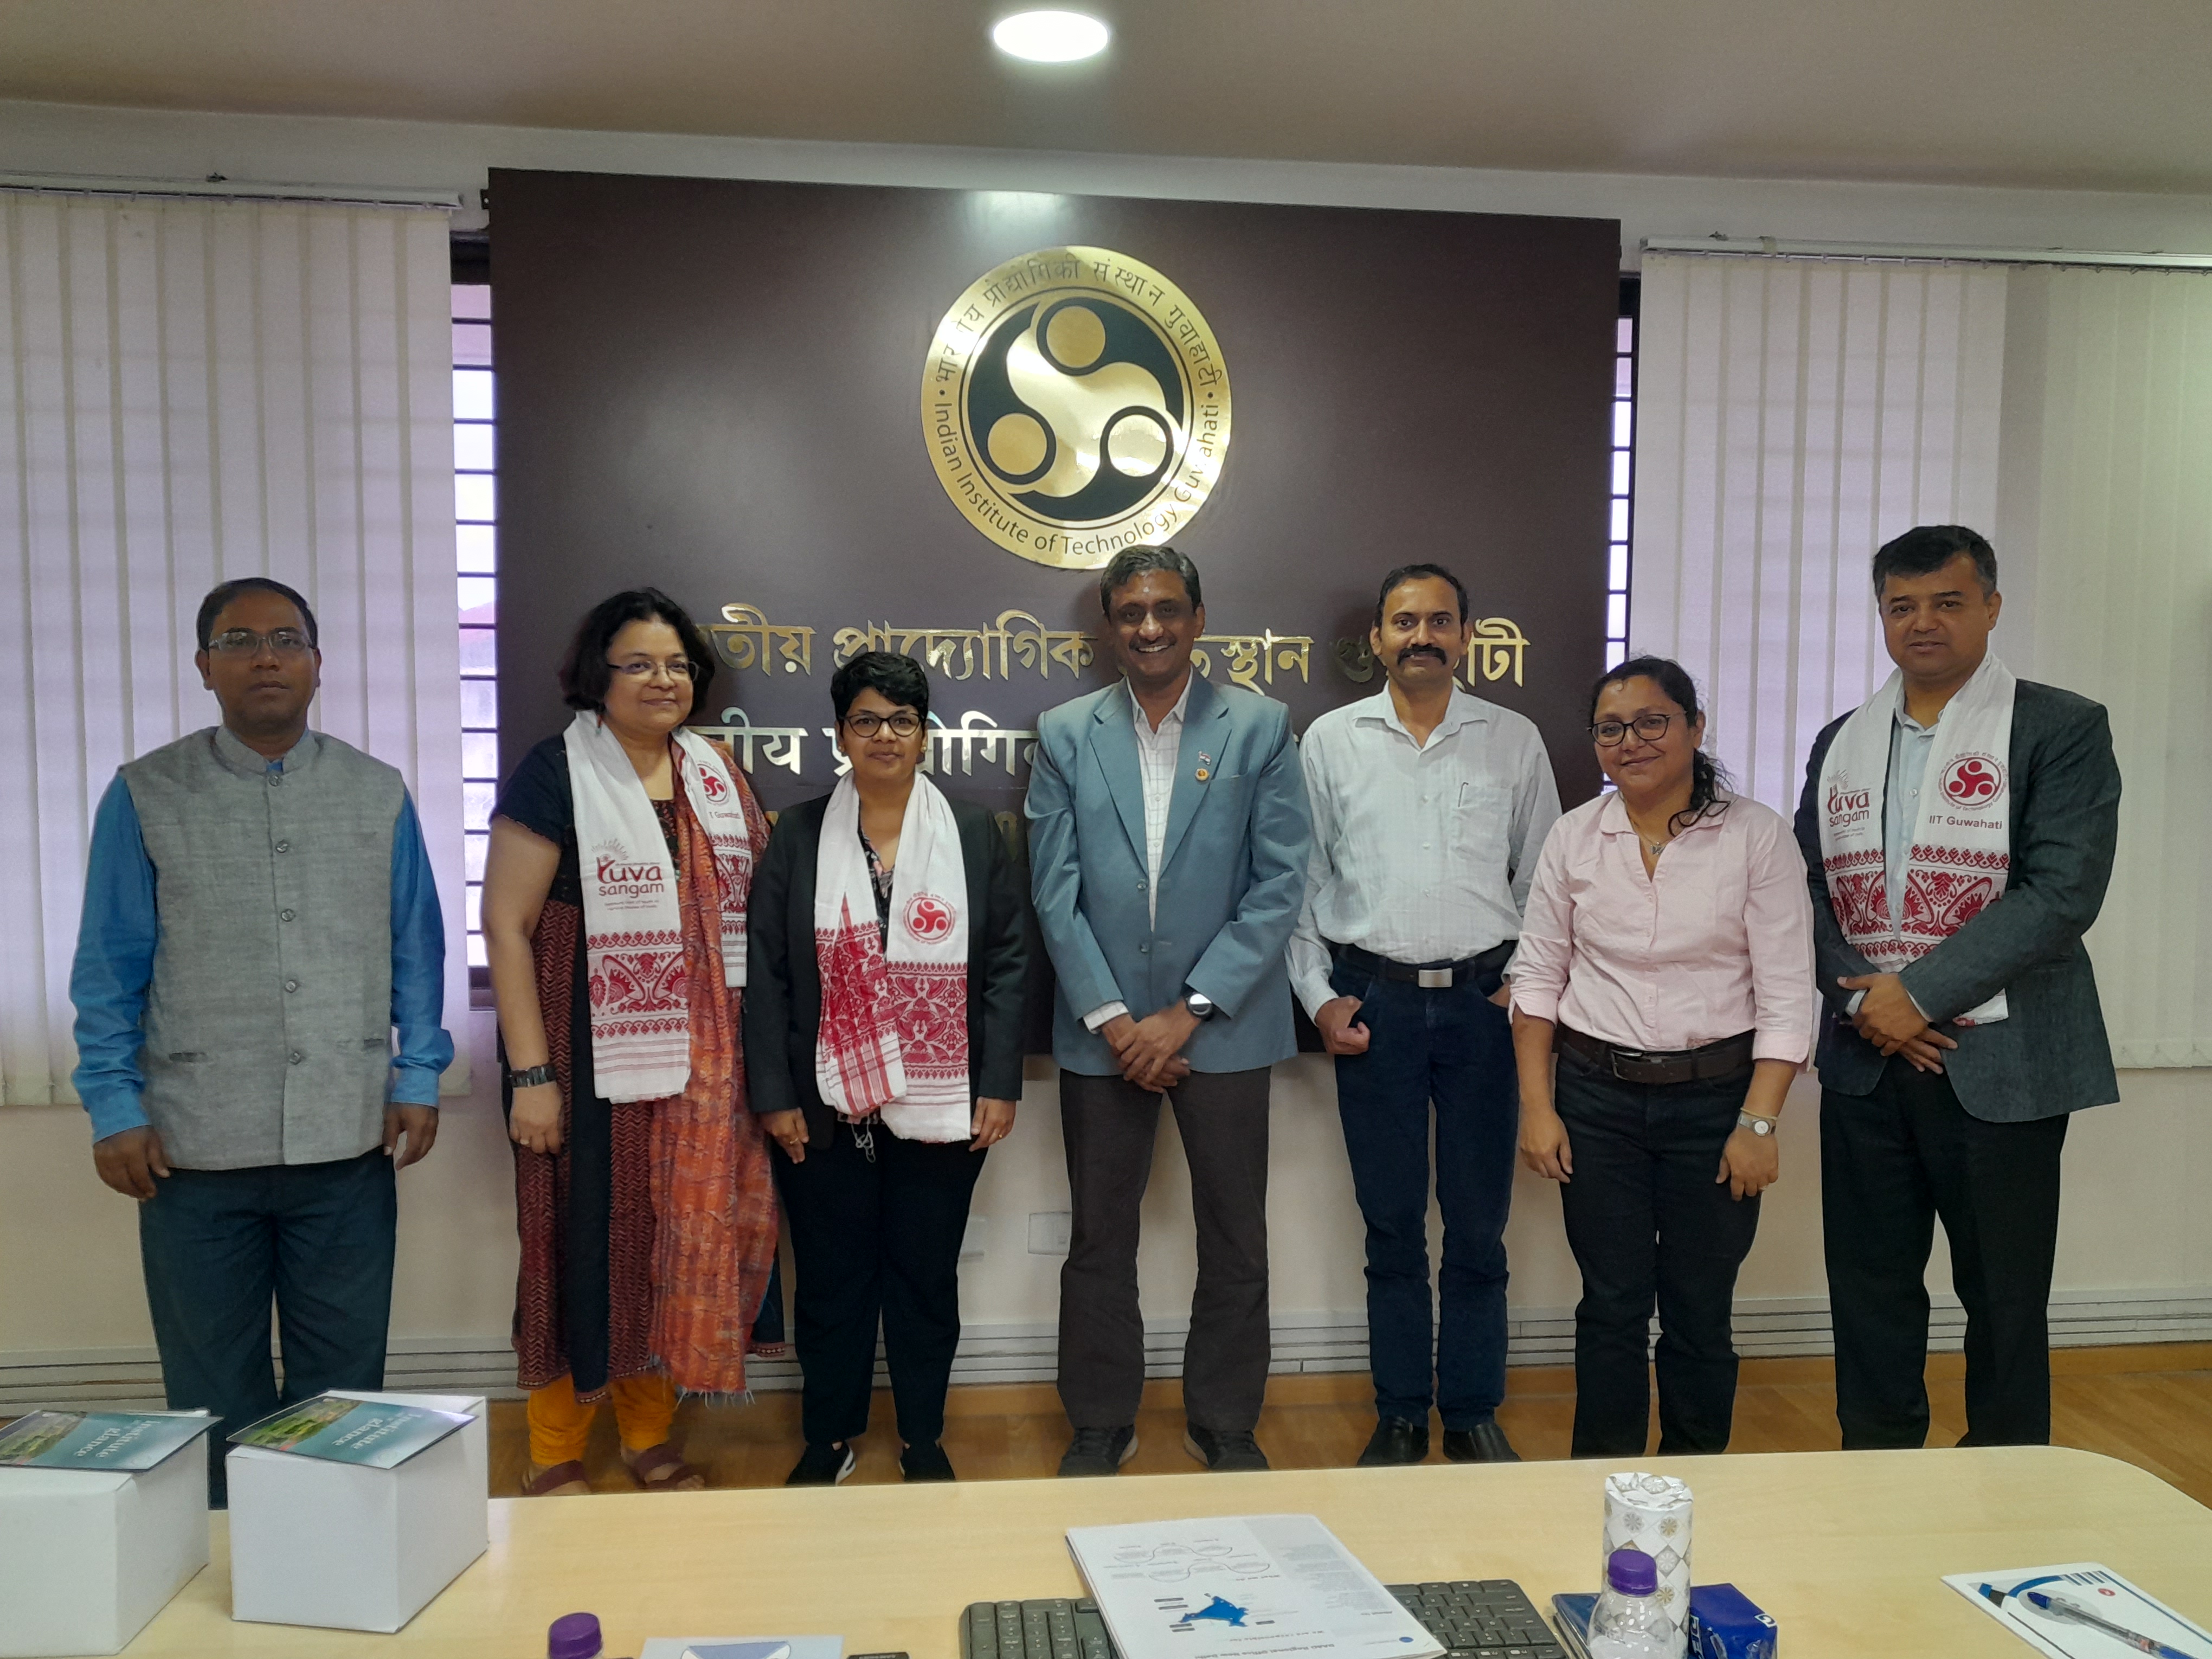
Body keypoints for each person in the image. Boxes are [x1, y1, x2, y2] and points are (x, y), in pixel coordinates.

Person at [70, 576, 452, 1506]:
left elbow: (419, 954)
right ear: (205, 667)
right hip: (195, 1147)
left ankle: (333, 1550)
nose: (266, 656)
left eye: (286, 638)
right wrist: (113, 1106)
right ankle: (223, 1570)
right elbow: (107, 967)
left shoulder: (377, 794)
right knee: (213, 1390)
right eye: (239, 640)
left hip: (346, 1137)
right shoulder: (144, 795)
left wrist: (420, 1076)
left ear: (319, 664)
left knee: (342, 1381)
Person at [1795, 525, 2120, 1450]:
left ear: (1991, 606)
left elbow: (2064, 893)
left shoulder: (2060, 726)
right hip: (1867, 1063)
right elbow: (1805, 890)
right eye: (1902, 606)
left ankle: (2007, 1488)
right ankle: (1879, 1471)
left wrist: (1919, 994)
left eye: (1946, 601)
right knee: (1869, 1292)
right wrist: (1866, 1000)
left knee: (2006, 1300)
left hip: (2001, 1063)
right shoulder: (1839, 742)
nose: (1922, 623)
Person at [481, 587, 777, 1496]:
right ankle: (557, 1450)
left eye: (679, 665)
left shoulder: (715, 775)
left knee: (672, 1242)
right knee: (577, 1244)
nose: (664, 679)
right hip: (580, 1052)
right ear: (597, 677)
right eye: (640, 663)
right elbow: (505, 924)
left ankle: (650, 1435)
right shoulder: (555, 770)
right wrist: (534, 1075)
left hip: (703, 1067)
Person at [1025, 544, 1312, 1476]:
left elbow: (1279, 883)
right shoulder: (1065, 731)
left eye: (1167, 609)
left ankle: (1226, 1420)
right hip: (1099, 1030)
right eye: (1131, 612)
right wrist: (1114, 1018)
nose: (1150, 627)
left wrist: (1188, 1010)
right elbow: (1053, 892)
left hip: (1220, 1026)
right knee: (1098, 1239)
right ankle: (1101, 1420)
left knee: (1236, 1233)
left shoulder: (1261, 726)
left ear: (1197, 616)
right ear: (1110, 626)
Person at [1287, 563, 1560, 1467]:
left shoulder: (1513, 741)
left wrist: (1525, 991)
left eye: (1440, 621)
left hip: (1486, 1011)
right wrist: (1321, 998)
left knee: (1480, 1227)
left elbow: (1544, 886)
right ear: (1377, 639)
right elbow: (1302, 885)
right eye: (1405, 622)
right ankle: (1402, 1411)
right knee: (1393, 1224)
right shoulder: (1330, 741)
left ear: (1466, 635)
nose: (1422, 637)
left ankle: (1474, 1410)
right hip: (1376, 1011)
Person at [1512, 657, 1813, 1458]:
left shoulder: (1755, 836)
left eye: (1653, 722)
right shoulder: (1576, 836)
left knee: (1698, 1306)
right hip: (1595, 1100)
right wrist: (1539, 1110)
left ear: (1694, 729)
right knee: (1609, 1303)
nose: (1632, 742)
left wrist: (1760, 1123)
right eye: (1612, 729)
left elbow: (1787, 993)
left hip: (1715, 1104)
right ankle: (1600, 1479)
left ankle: (1692, 1480)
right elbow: (1537, 978)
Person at [744, 652, 1030, 1486]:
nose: (884, 736)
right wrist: (776, 1095)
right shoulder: (797, 834)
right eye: (866, 720)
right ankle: (829, 1437)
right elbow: (766, 972)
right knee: (831, 1285)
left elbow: (1010, 963)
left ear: (925, 735)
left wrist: (1000, 1083)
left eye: (902, 721)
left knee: (922, 1280)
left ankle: (922, 1438)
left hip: (945, 1104)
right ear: (841, 735)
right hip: (822, 1105)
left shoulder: (974, 833)